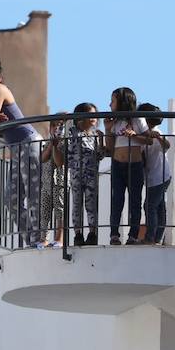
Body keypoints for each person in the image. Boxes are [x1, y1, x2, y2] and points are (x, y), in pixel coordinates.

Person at [0, 53, 42, 249]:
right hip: (16, 148)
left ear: (0, 78)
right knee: (11, 199)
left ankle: (39, 239)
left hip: (28, 143)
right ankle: (31, 240)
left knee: (33, 195)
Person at [104, 86, 147, 245]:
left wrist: (134, 136)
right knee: (117, 200)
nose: (110, 104)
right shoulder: (114, 122)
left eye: (113, 101)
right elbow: (110, 147)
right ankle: (114, 234)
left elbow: (148, 140)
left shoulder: (138, 119)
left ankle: (133, 235)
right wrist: (107, 130)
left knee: (135, 201)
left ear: (122, 102)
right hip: (117, 165)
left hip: (134, 166)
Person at [64, 102, 102, 246]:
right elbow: (64, 143)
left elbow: (100, 155)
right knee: (77, 204)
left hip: (91, 175)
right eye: (90, 115)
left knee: (91, 205)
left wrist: (101, 140)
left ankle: (92, 233)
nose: (94, 119)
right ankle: (78, 234)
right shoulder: (72, 131)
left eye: (95, 116)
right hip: (76, 175)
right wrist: (68, 120)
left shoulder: (95, 135)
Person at [134, 103, 172, 245]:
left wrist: (158, 138)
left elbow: (166, 146)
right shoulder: (144, 134)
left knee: (149, 206)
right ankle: (157, 238)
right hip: (156, 177)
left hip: (159, 177)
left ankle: (150, 237)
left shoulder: (156, 132)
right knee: (159, 206)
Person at [39, 114, 68, 247]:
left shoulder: (65, 143)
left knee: (59, 210)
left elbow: (59, 161)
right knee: (45, 211)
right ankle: (43, 239)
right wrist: (51, 144)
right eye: (54, 125)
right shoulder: (47, 143)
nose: (56, 128)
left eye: (60, 126)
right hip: (46, 182)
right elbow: (43, 158)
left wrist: (55, 147)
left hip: (59, 182)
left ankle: (59, 238)